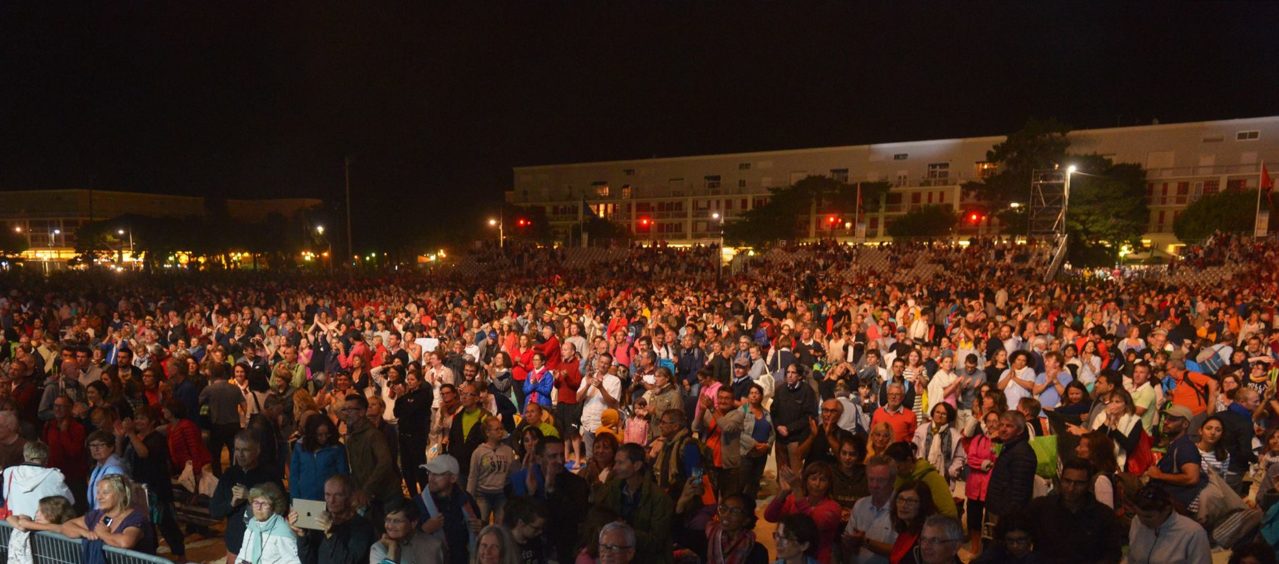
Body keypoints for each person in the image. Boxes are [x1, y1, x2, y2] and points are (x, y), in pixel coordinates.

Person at [1022, 458, 1122, 563]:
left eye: (1079, 483)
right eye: (1067, 481)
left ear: (1088, 485)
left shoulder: (1103, 515)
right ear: (1061, 480)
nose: (1071, 488)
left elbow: (1113, 553)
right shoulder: (1041, 508)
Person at [119, 405, 185, 560]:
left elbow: (143, 453)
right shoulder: (135, 437)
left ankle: (181, 555)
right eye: (137, 418)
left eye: (143, 418)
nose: (138, 421)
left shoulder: (157, 438)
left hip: (157, 489)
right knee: (146, 524)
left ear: (152, 421)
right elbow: (122, 455)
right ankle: (151, 554)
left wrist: (130, 433)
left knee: (166, 523)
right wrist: (121, 437)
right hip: (139, 487)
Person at [509, 436, 589, 560]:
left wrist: (552, 491)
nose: (560, 460)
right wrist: (531, 493)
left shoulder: (577, 483)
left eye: (562, 455)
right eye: (553, 456)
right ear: (539, 459)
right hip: (533, 551)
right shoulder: (525, 480)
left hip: (564, 549)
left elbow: (576, 516)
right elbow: (515, 519)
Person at [212, 431, 286, 564]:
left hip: (264, 545)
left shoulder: (269, 474)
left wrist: (250, 495)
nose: (240, 455)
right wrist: (231, 504)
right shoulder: (229, 475)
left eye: (245, 450)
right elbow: (215, 511)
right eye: (237, 449)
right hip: (236, 545)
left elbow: (282, 509)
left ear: (257, 451)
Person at [596, 443, 673, 564]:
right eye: (615, 462)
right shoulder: (614, 487)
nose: (615, 467)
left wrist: (624, 531)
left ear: (637, 466)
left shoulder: (659, 498)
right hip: (617, 555)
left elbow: (657, 541)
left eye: (620, 463)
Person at [763, 460, 842, 562]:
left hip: (817, 558)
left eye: (823, 480)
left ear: (829, 484)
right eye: (813, 479)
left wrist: (796, 489)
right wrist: (783, 492)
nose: (817, 484)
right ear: (806, 480)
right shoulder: (793, 499)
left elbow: (810, 525)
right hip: (789, 555)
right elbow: (769, 516)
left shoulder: (833, 507)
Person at [290, 475, 377, 564]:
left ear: (349, 496)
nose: (331, 500)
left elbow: (349, 561)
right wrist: (302, 536)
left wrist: (331, 535)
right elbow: (308, 561)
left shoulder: (362, 527)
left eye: (338, 495)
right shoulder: (321, 521)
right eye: (327, 495)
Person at [340, 393, 402, 516]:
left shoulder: (373, 434)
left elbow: (385, 463)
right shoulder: (353, 437)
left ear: (362, 412)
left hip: (387, 495)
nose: (346, 413)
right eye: (345, 409)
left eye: (350, 410)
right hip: (371, 497)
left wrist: (366, 489)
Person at [62, 473, 156, 552]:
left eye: (105, 493)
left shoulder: (135, 518)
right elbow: (67, 526)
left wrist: (103, 534)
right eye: (98, 492)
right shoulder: (97, 514)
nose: (99, 497)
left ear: (121, 494)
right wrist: (86, 533)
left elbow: (126, 542)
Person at [416, 455, 483, 564]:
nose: (431, 478)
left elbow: (478, 526)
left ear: (453, 478)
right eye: (429, 473)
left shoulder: (466, 500)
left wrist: (481, 526)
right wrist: (424, 530)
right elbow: (405, 539)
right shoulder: (418, 503)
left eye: (438, 474)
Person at [1126, 484, 1210, 564]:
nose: (1142, 521)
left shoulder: (1193, 533)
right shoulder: (1136, 521)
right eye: (1138, 514)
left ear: (1166, 509)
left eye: (1148, 517)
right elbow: (1132, 558)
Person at [1143, 405, 1206, 510]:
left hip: (1181, 509)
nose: (1166, 422)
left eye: (1172, 419)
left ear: (1185, 424)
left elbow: (1192, 478)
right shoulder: (1176, 444)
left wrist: (1160, 475)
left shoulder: (1185, 446)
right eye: (1166, 418)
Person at [842, 455, 898, 564]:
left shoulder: (901, 508)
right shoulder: (860, 505)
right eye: (871, 479)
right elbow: (848, 543)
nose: (874, 485)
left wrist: (865, 542)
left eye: (881, 480)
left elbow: (902, 551)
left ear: (892, 480)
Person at [984, 411, 1037, 525]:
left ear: (1020, 430)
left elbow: (1019, 492)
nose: (1003, 429)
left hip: (1007, 516)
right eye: (1001, 425)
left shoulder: (1022, 453)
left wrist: (1008, 518)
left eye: (1009, 426)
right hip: (998, 509)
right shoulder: (1009, 447)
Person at [0, 441, 75, 519]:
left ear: (25, 455)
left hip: (16, 525)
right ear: (46, 458)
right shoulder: (55, 475)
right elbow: (69, 501)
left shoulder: (9, 472)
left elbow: (6, 497)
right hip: (44, 526)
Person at [883, 442, 958, 519]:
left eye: (898, 467)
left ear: (908, 460)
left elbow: (949, 513)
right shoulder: (898, 477)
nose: (895, 472)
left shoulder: (931, 477)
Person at [696, 386, 744, 499]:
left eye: (727, 398)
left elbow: (726, 427)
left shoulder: (738, 415)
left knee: (729, 498)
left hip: (728, 466)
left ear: (733, 401)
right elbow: (695, 427)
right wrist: (702, 410)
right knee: (709, 499)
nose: (723, 401)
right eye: (720, 398)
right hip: (708, 464)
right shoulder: (709, 413)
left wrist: (712, 408)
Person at [467, 416, 516, 525]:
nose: (500, 432)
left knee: (501, 525)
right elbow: (473, 476)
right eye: (496, 429)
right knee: (482, 523)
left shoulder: (507, 451)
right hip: (483, 494)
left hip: (501, 493)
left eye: (501, 428)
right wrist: (470, 498)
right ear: (488, 433)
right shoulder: (479, 452)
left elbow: (512, 473)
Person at [771, 364, 818, 476]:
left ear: (800, 376)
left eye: (793, 373)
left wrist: (789, 428)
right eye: (788, 372)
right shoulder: (780, 389)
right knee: (782, 474)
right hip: (780, 438)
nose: (790, 375)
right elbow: (773, 411)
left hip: (796, 439)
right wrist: (778, 426)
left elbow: (809, 416)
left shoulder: (807, 391)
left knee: (796, 474)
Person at [238, 481, 301, 564]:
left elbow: (293, 562)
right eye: (256, 502)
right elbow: (243, 553)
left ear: (274, 506)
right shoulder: (252, 524)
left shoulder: (283, 530)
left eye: (264, 504)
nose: (259, 507)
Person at [289, 415, 349, 501]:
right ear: (311, 434)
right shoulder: (300, 447)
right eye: (319, 435)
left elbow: (343, 475)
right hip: (305, 498)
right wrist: (294, 499)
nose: (324, 438)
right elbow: (294, 475)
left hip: (330, 499)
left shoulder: (337, 448)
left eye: (327, 434)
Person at [964, 410, 999, 553]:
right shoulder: (977, 439)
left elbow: (998, 461)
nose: (991, 424)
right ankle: (975, 547)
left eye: (995, 421)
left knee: (991, 520)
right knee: (973, 518)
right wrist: (985, 463)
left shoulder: (1001, 441)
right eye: (989, 421)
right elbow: (970, 459)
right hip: (974, 486)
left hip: (991, 487)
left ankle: (990, 549)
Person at [394, 366, 433, 496]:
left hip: (416, 437)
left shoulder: (423, 395)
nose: (409, 381)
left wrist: (405, 402)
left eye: (412, 379)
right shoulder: (406, 396)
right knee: (406, 469)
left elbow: (412, 411)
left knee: (419, 469)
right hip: (404, 436)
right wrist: (400, 397)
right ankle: (413, 497)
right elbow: (397, 413)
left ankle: (426, 497)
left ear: (419, 381)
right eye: (408, 379)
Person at [912, 402, 966, 494]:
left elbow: (960, 457)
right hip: (921, 475)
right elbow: (914, 451)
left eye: (943, 414)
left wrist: (952, 471)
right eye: (937, 412)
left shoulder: (955, 435)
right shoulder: (921, 430)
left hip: (944, 478)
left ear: (948, 417)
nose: (940, 415)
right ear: (933, 413)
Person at [371, 498, 445, 564]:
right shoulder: (378, 548)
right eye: (387, 520)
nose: (390, 526)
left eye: (397, 521)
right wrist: (392, 548)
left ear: (413, 523)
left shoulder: (434, 545)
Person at [448, 381, 492, 489]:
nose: (464, 397)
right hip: (460, 467)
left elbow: (491, 442)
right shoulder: (457, 417)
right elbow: (452, 440)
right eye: (462, 394)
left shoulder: (485, 417)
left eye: (468, 394)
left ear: (477, 398)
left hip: (479, 467)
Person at [704, 493, 768, 564]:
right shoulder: (706, 538)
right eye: (724, 509)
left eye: (735, 511)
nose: (726, 515)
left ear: (746, 520)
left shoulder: (757, 552)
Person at [888, 480, 937, 564]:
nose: (903, 505)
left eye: (910, 501)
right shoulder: (906, 529)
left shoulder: (929, 535)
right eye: (900, 499)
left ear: (922, 504)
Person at [738, 383, 774, 499]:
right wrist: (754, 444)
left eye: (757, 393)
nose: (754, 396)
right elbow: (739, 432)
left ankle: (749, 507)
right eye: (751, 393)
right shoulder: (742, 410)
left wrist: (767, 445)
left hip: (761, 454)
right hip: (747, 453)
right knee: (742, 482)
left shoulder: (766, 414)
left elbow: (772, 432)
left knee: (754, 482)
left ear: (761, 396)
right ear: (748, 396)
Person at [1073, 431, 1120, 509]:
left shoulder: (1101, 480)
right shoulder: (1091, 474)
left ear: (1094, 452)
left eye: (1081, 446)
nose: (1077, 449)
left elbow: (1106, 515)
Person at [84, 429, 127, 510]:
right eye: (92, 445)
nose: (96, 449)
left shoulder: (114, 470)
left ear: (111, 448)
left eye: (101, 445)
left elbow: (114, 501)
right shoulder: (98, 467)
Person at [503, 496, 554, 564]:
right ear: (521, 523)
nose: (540, 531)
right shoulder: (504, 545)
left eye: (542, 528)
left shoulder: (536, 540)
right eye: (536, 528)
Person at [972, 515, 1039, 564]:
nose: (1015, 545)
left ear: (1029, 538)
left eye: (1020, 540)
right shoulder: (997, 552)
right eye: (1010, 540)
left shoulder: (1037, 560)